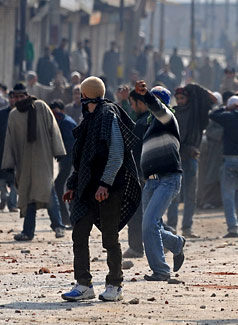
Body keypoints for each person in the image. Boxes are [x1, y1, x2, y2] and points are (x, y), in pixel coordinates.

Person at [61, 76, 141, 302]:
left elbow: (116, 154)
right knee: (79, 233)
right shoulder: (89, 119)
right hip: (87, 189)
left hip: (109, 189)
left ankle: (115, 285)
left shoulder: (108, 115)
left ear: (86, 96)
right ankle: (83, 285)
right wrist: (73, 184)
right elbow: (83, 159)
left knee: (109, 239)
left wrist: (105, 184)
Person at [129, 81, 187, 281]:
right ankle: (177, 244)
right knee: (152, 226)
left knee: (149, 225)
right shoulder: (149, 123)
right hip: (151, 182)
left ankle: (161, 270)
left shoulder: (167, 118)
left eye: (150, 101)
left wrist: (146, 95)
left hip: (168, 179)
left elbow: (157, 107)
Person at [2, 83, 66, 241]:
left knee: (49, 194)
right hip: (24, 164)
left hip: (42, 160)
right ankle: (28, 232)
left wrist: (58, 151)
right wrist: (8, 165)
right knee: (29, 198)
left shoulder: (40, 107)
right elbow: (9, 141)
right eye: (15, 97)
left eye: (20, 96)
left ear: (26, 95)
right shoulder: (14, 115)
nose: (18, 99)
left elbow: (53, 128)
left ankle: (58, 227)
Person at [167, 84, 215, 238]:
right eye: (178, 98)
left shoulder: (196, 113)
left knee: (190, 195)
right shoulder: (172, 114)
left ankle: (187, 228)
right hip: (177, 158)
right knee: (175, 195)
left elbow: (211, 98)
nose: (180, 101)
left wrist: (193, 86)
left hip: (192, 158)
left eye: (183, 98)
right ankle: (172, 227)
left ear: (188, 98)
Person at [209, 96, 238, 238]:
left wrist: (227, 108)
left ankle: (232, 228)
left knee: (228, 195)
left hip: (230, 159)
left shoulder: (228, 116)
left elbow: (212, 114)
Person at [121, 88, 151, 259]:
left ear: (140, 103)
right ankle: (169, 238)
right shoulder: (153, 120)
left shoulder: (141, 124)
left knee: (136, 212)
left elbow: (134, 149)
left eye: (132, 104)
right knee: (150, 213)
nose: (132, 107)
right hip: (151, 173)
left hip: (140, 174)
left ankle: (136, 248)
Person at [49, 100, 78, 227]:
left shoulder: (65, 123)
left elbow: (70, 145)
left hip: (71, 160)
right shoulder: (63, 121)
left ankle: (69, 218)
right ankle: (67, 219)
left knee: (64, 187)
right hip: (69, 160)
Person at [0, 91, 17, 212]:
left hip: (16, 152)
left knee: (14, 180)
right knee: (2, 179)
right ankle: (3, 199)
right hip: (2, 151)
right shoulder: (2, 114)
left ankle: (12, 204)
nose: (12, 100)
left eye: (14, 98)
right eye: (10, 98)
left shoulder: (21, 114)